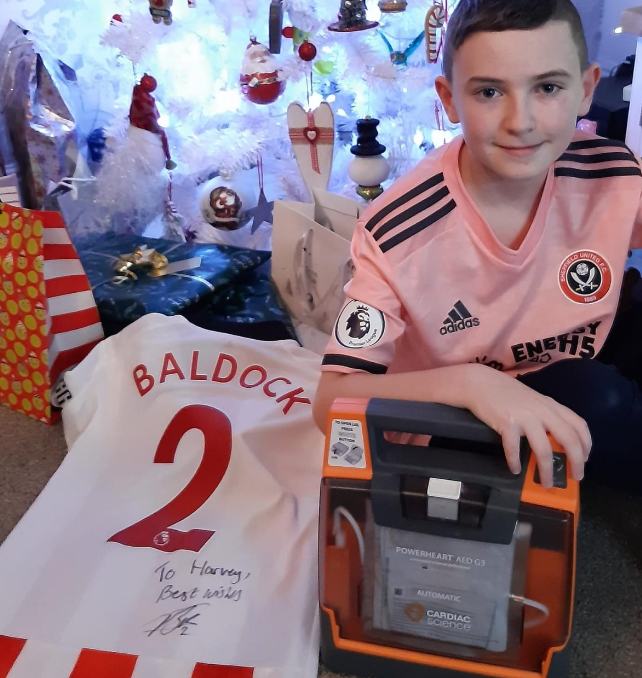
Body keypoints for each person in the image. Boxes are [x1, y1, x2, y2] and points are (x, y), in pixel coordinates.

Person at [313, 0, 642, 492]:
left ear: (586, 89)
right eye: (489, 91)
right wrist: (468, 383)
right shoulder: (396, 232)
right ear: (449, 100)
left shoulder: (613, 172)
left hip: (569, 352)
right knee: (600, 401)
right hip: (457, 413)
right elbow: (330, 404)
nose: (521, 121)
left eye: (548, 88)